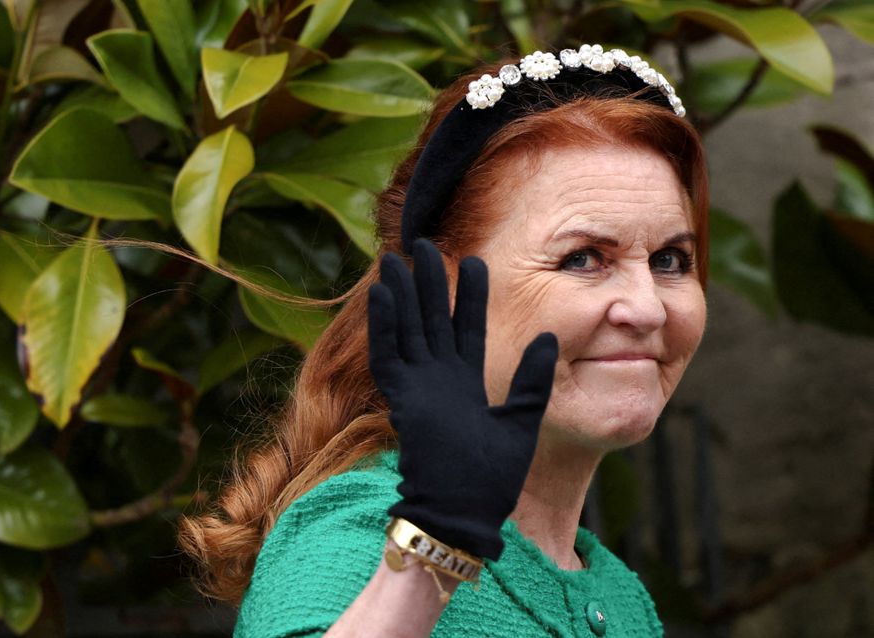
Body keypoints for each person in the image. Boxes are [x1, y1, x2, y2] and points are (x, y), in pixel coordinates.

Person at [181, 44, 709, 637]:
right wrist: (434, 545)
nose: (646, 307)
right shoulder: (362, 533)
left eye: (670, 259)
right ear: (443, 290)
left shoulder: (619, 594)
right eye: (582, 258)